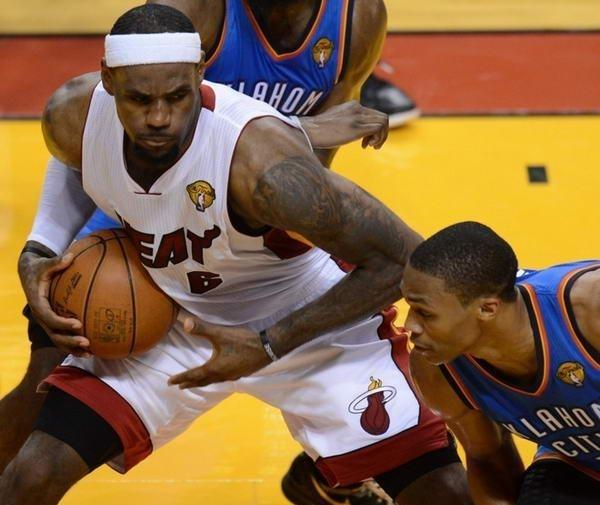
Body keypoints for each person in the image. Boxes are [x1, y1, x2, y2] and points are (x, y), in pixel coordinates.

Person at [0, 6, 471, 505]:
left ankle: (337, 470)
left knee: (443, 493)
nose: (158, 117)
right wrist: (38, 250)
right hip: (175, 309)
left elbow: (404, 257)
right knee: (30, 476)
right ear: (108, 81)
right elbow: (78, 156)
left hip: (300, 313)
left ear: (200, 75)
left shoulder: (265, 166)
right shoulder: (71, 111)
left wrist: (269, 344)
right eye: (139, 100)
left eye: (176, 97)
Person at [401, 221, 600, 505]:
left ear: (487, 308)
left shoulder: (589, 309)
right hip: (581, 467)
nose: (409, 325)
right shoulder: (436, 369)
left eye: (425, 313)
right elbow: (488, 457)